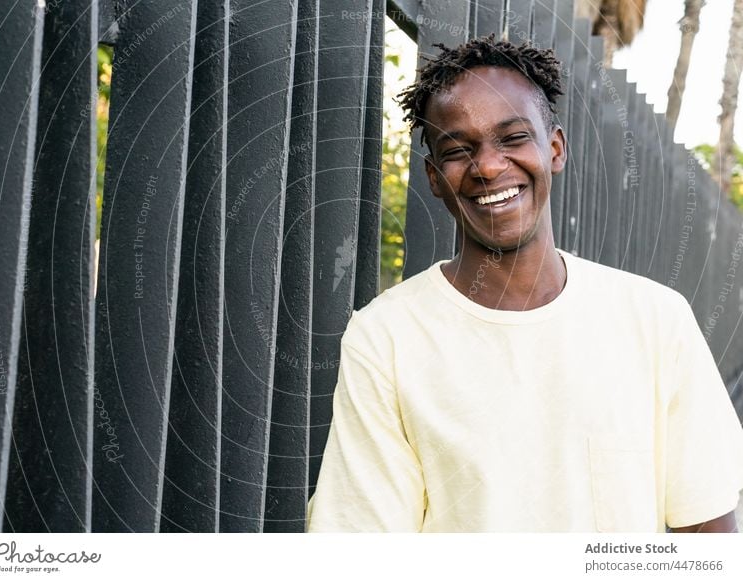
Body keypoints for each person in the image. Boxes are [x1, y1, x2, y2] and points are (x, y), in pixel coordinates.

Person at [306, 35, 743, 532]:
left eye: (513, 138)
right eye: (457, 149)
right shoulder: (385, 339)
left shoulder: (656, 320)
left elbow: (707, 539)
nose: (488, 166)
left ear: (553, 149)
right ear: (433, 176)